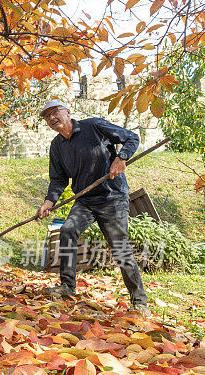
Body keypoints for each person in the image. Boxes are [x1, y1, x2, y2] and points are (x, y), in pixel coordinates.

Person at [36, 98, 150, 316]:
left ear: (67, 112)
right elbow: (58, 179)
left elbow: (131, 138)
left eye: (55, 112)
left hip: (112, 197)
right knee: (68, 229)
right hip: (85, 200)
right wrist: (48, 202)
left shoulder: (94, 126)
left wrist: (121, 158)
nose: (51, 118)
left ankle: (139, 301)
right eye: (47, 116)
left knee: (120, 248)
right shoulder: (57, 146)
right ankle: (67, 287)